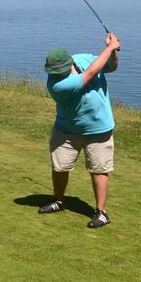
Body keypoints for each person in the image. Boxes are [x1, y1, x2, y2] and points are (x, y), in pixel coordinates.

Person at [39, 32, 121, 228]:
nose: (54, 74)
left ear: (69, 63)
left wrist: (114, 53)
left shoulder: (82, 59)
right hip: (66, 129)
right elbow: (91, 73)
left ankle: (101, 213)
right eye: (52, 71)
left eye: (58, 70)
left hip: (99, 127)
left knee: (99, 169)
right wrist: (109, 47)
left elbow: (109, 66)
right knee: (59, 167)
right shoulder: (57, 85)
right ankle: (59, 201)